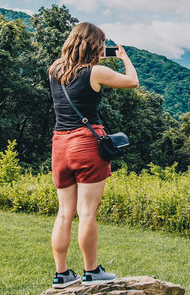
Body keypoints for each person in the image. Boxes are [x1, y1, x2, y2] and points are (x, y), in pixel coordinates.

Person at [47, 22, 138, 289]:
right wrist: (123, 57)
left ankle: (61, 275)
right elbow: (132, 81)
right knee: (86, 213)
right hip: (86, 145)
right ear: (93, 45)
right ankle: (91, 271)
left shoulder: (54, 69)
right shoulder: (96, 72)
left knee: (64, 213)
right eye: (100, 43)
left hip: (59, 145)